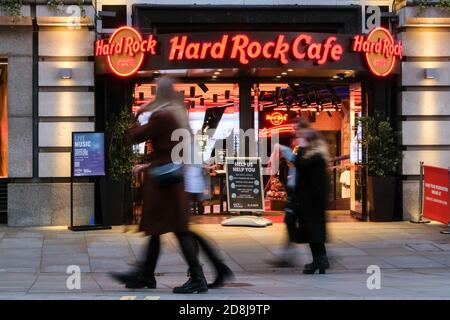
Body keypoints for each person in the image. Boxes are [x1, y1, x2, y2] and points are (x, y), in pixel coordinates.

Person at [110, 76, 208, 294]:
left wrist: (136, 115)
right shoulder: (177, 114)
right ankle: (146, 275)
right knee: (160, 230)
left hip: (164, 185)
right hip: (172, 181)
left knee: (175, 230)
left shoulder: (162, 116)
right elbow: (171, 149)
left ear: (159, 93)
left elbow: (134, 137)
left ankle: (196, 278)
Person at [293, 127, 330, 274]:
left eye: (303, 139)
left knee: (313, 231)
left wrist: (299, 151)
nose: (300, 141)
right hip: (312, 200)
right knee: (313, 232)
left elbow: (300, 165)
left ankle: (320, 260)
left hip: (311, 201)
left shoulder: (314, 157)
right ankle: (319, 260)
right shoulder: (316, 156)